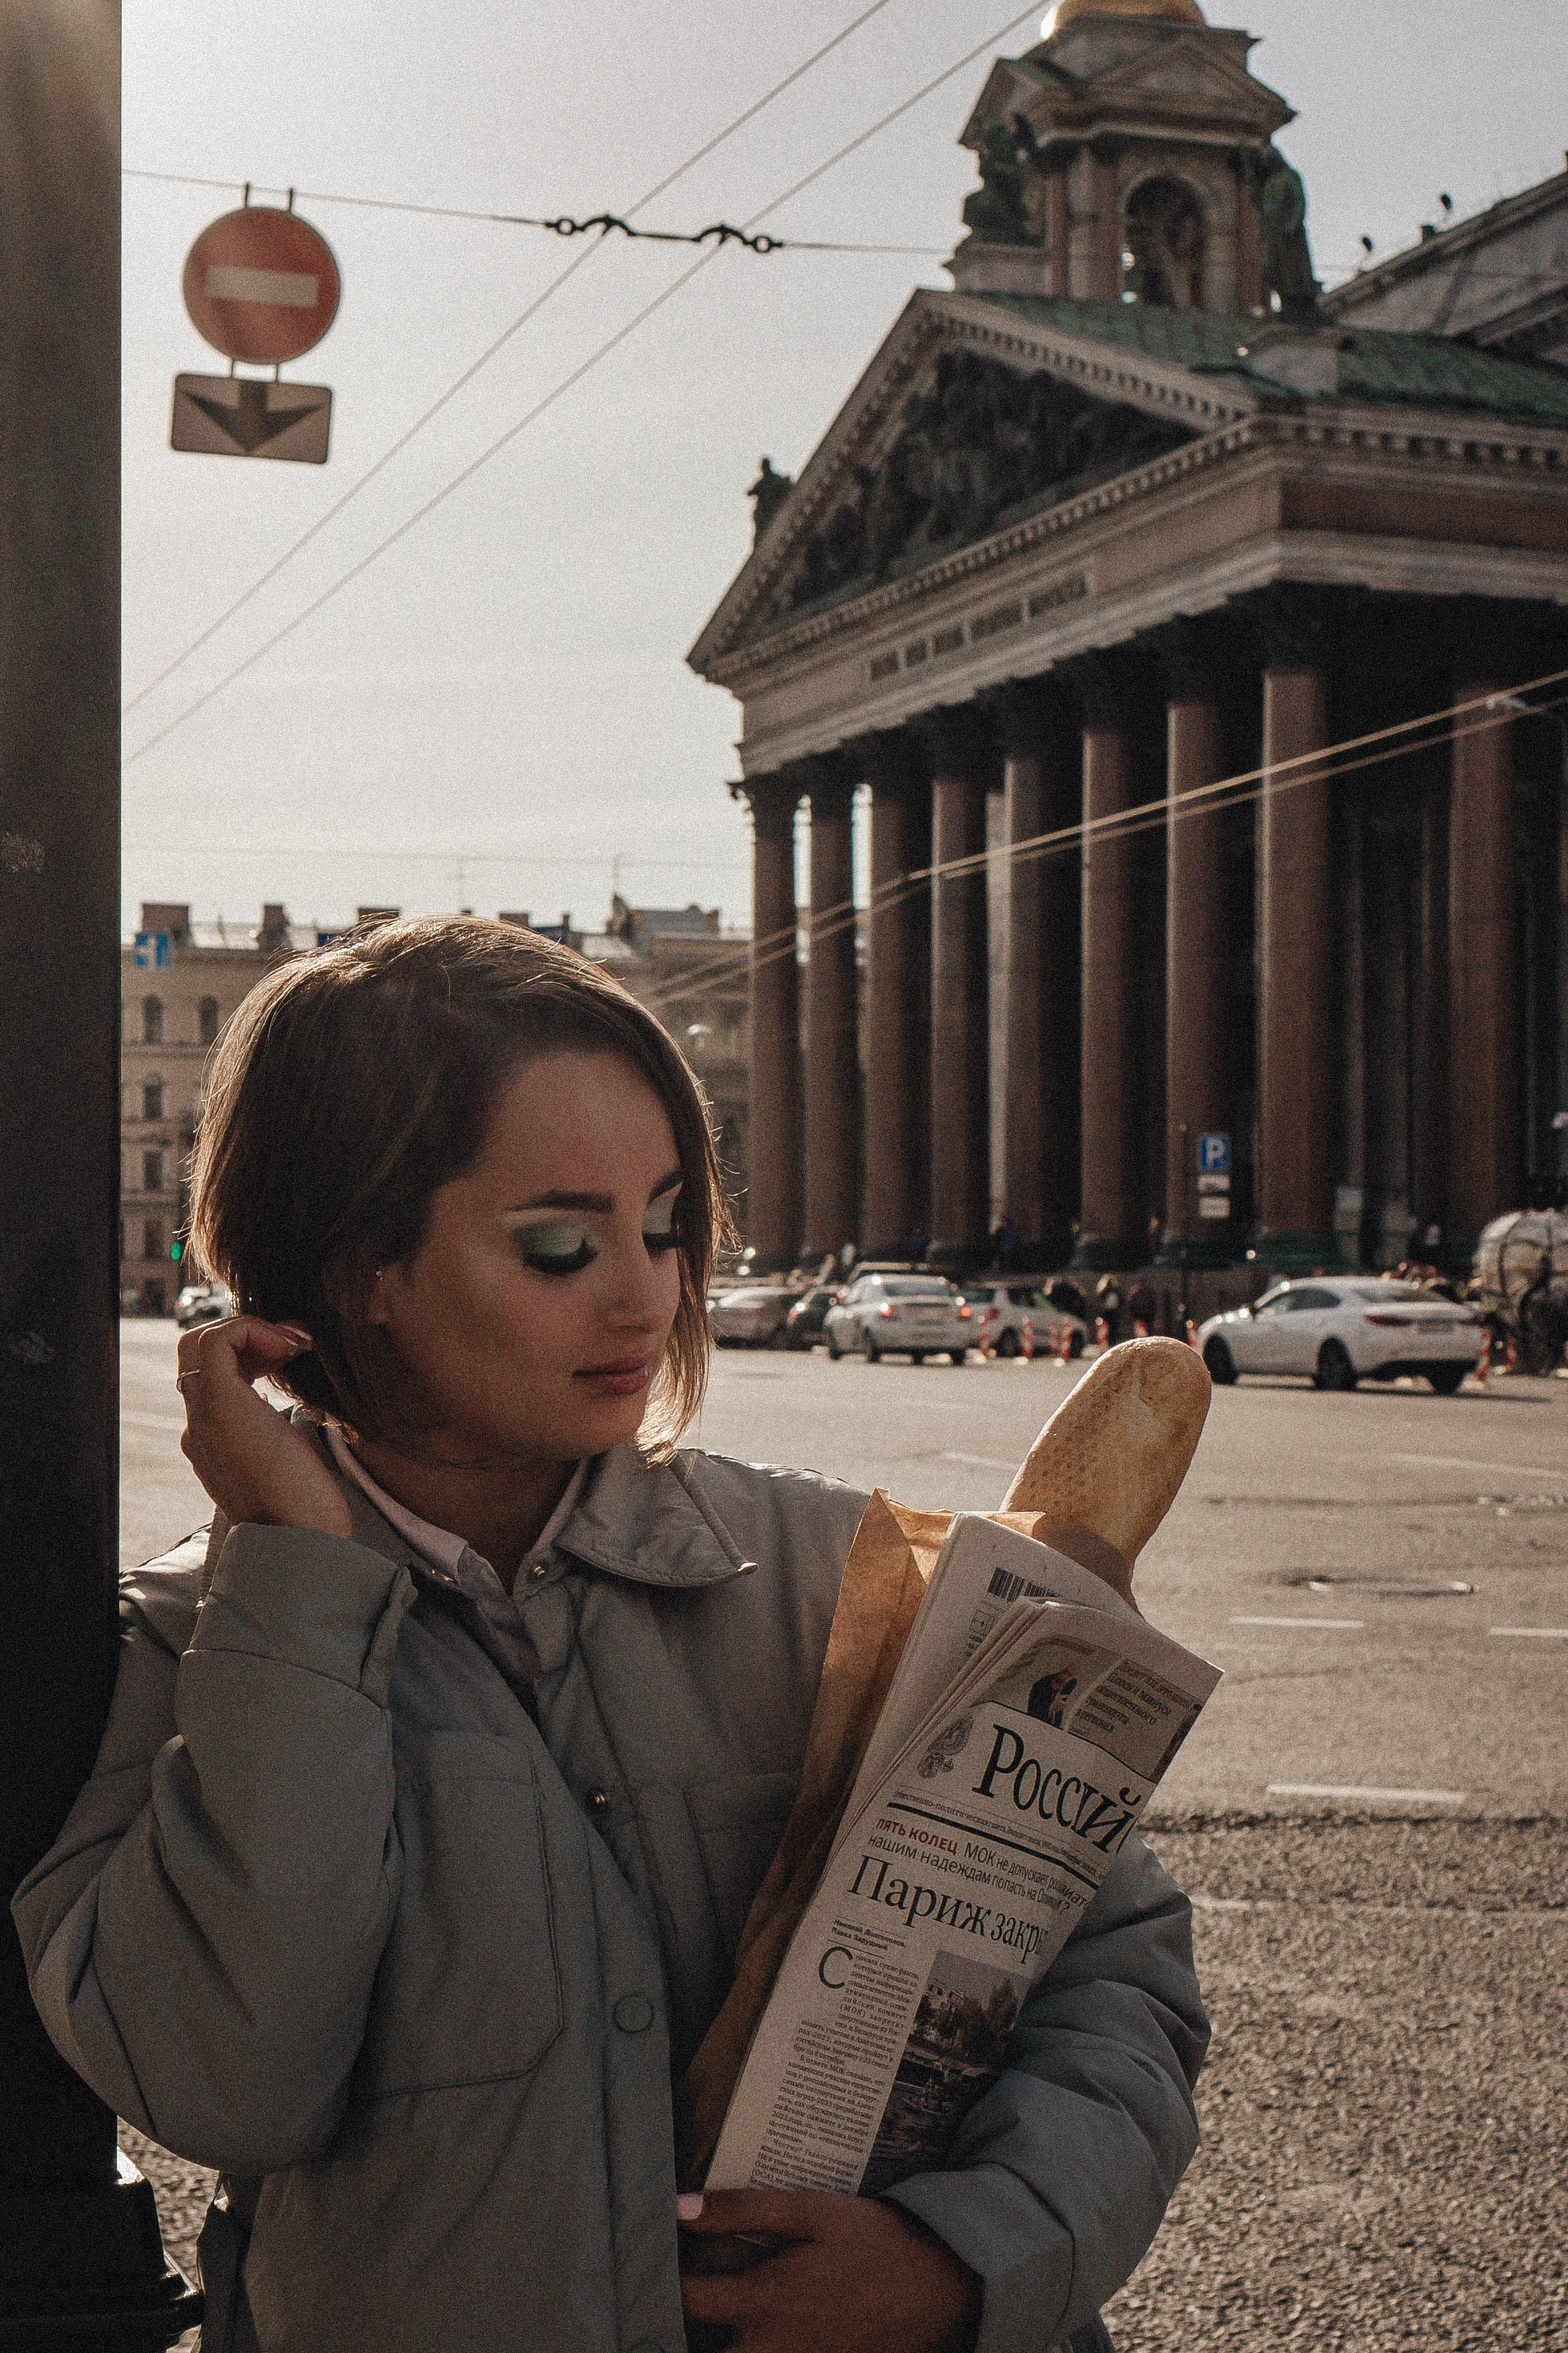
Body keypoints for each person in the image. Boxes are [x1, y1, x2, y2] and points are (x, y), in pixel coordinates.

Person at [13, 918, 1207, 2353]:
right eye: (563, 1244)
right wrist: (298, 1588)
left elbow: (1115, 1968)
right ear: (355, 1262)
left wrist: (969, 2258)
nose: (645, 1293)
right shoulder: (189, 1639)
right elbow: (230, 2081)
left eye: (665, 1225)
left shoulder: (843, 1574)